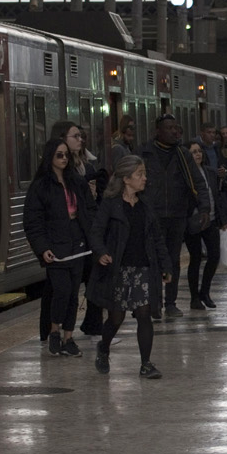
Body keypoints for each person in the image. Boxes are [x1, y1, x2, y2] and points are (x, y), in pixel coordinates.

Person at [87, 156, 173, 378]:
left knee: (144, 313)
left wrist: (165, 265)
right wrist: (101, 252)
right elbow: (95, 232)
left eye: (144, 173)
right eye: (139, 174)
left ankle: (146, 364)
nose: (144, 178)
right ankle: (103, 348)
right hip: (119, 270)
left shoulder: (146, 205)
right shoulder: (111, 204)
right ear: (126, 179)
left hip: (144, 268)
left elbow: (157, 238)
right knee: (116, 317)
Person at [25, 138, 96, 358]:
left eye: (66, 155)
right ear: (50, 157)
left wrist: (93, 236)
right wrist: (42, 247)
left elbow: (90, 209)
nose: (64, 159)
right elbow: (32, 221)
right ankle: (54, 329)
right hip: (55, 248)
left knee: (74, 293)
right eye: (59, 155)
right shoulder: (41, 186)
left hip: (78, 244)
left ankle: (68, 336)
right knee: (62, 291)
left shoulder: (76, 181)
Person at [138, 113, 203, 318]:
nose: (175, 132)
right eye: (169, 128)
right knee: (153, 259)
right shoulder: (144, 153)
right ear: (158, 131)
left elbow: (198, 183)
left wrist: (205, 209)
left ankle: (171, 302)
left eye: (176, 128)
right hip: (152, 215)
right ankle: (154, 303)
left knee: (173, 259)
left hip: (177, 215)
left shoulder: (183, 155)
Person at [185, 140, 226, 310]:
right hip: (192, 222)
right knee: (195, 258)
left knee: (214, 255)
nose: (198, 154)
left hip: (210, 220)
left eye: (199, 151)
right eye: (193, 152)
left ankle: (205, 291)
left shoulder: (209, 172)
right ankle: (194, 297)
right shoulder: (185, 175)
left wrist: (223, 220)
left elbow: (216, 196)